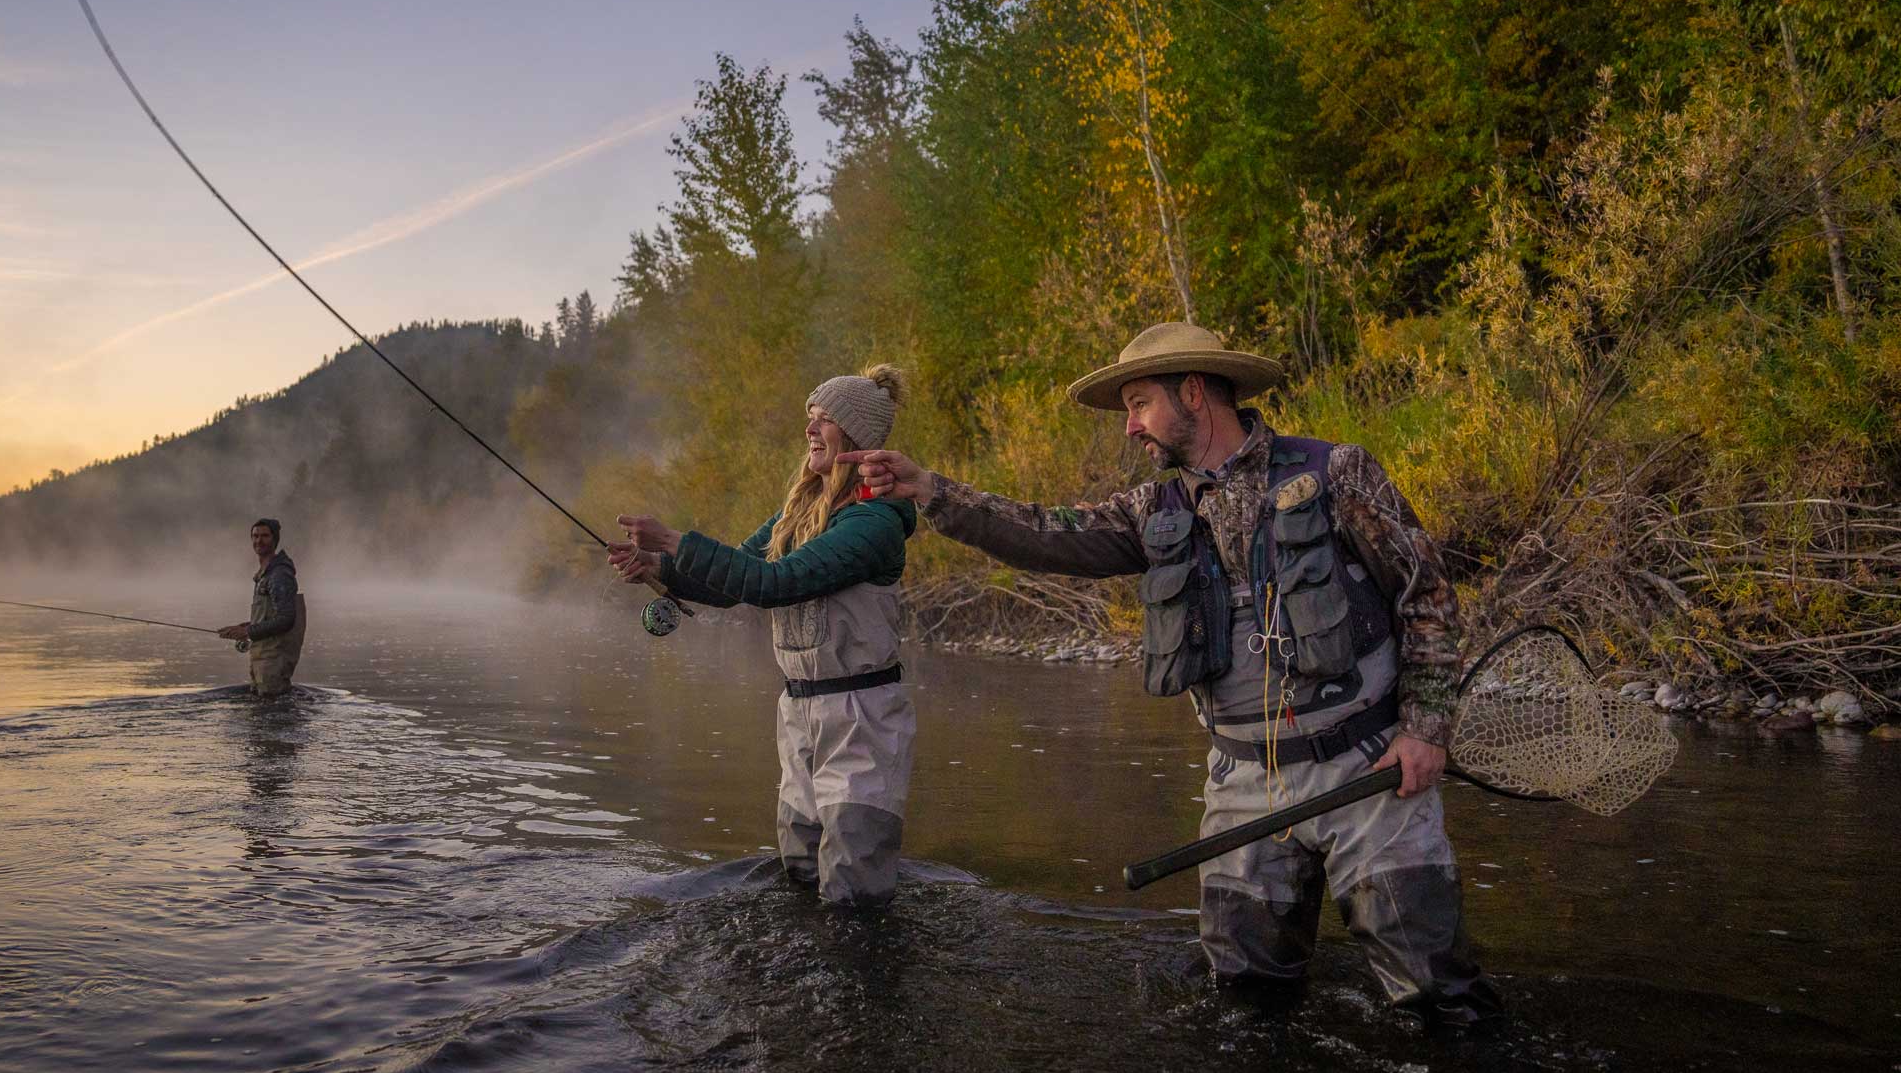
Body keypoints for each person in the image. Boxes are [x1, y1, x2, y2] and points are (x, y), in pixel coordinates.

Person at [840, 323, 1499, 1024]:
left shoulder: (1338, 473)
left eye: (1138, 403)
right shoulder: (1154, 510)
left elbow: (1425, 593)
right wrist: (928, 489)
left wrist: (1426, 728)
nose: (1128, 427)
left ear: (1192, 392)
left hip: (1368, 771)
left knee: (1438, 1002)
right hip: (1244, 785)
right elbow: (1039, 529)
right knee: (1246, 1004)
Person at [611, 365, 918, 908]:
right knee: (799, 871)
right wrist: (660, 566)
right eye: (809, 418)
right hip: (798, 713)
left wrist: (678, 541)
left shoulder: (874, 522)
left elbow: (775, 584)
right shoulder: (796, 512)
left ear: (855, 438)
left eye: (823, 420)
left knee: (854, 894)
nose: (810, 429)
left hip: (861, 720)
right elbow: (735, 582)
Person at [219, 517, 306, 695]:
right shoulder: (265, 574)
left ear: (274, 539)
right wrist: (243, 627)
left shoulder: (279, 574)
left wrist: (248, 632)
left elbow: (286, 619)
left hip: (274, 660)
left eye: (265, 536)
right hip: (263, 658)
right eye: (255, 536)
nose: (259, 540)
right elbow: (271, 615)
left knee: (270, 714)